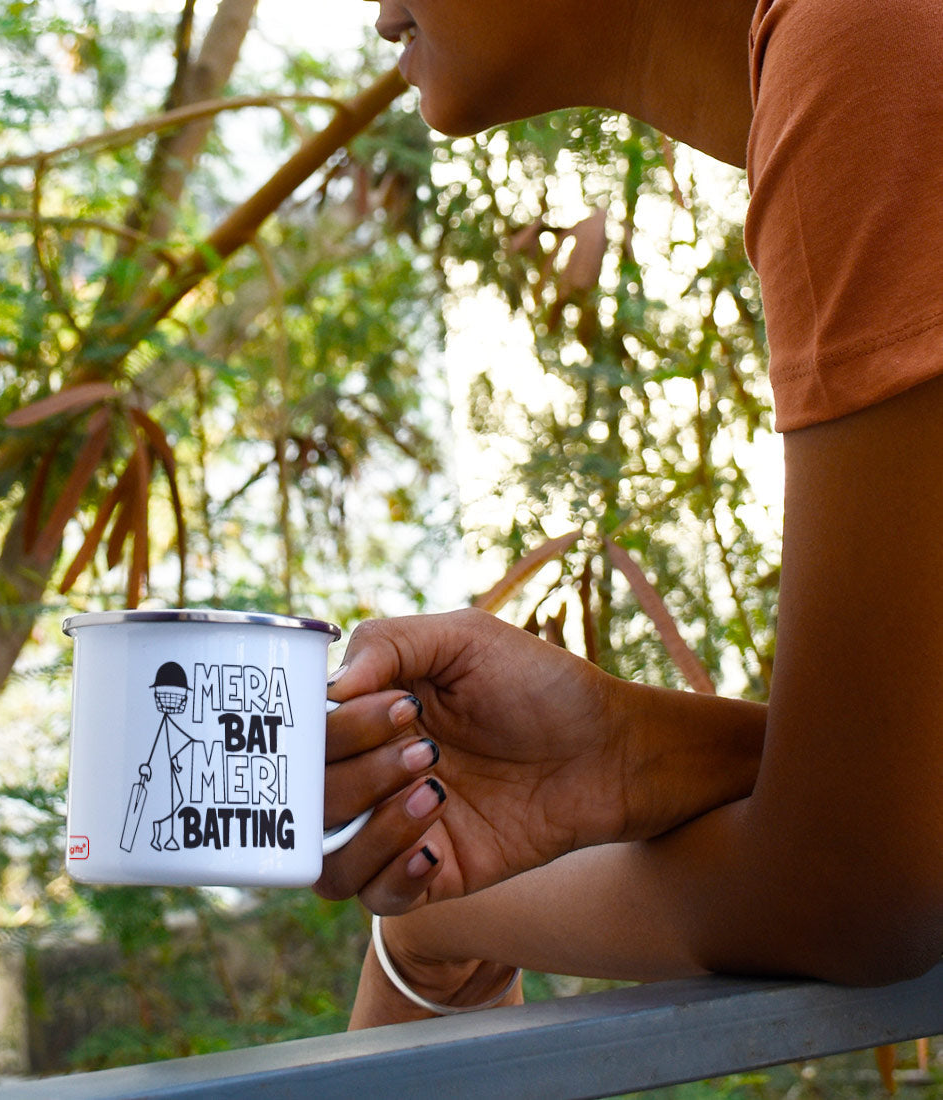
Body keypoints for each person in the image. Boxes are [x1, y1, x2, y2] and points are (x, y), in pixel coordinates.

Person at [321, 0, 943, 1028]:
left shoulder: (873, 42)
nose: (377, 13)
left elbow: (860, 888)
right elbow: (899, 828)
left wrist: (448, 919)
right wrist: (631, 750)